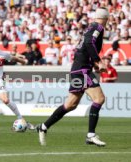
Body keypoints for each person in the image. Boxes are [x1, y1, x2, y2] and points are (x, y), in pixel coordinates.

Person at [37, 8, 109, 147]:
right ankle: (91, 135)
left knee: (70, 105)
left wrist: (93, 63)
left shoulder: (90, 27)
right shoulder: (98, 27)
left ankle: (43, 127)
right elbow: (89, 43)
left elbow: (83, 47)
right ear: (106, 18)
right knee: (99, 99)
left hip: (78, 68)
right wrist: (98, 61)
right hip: (82, 70)